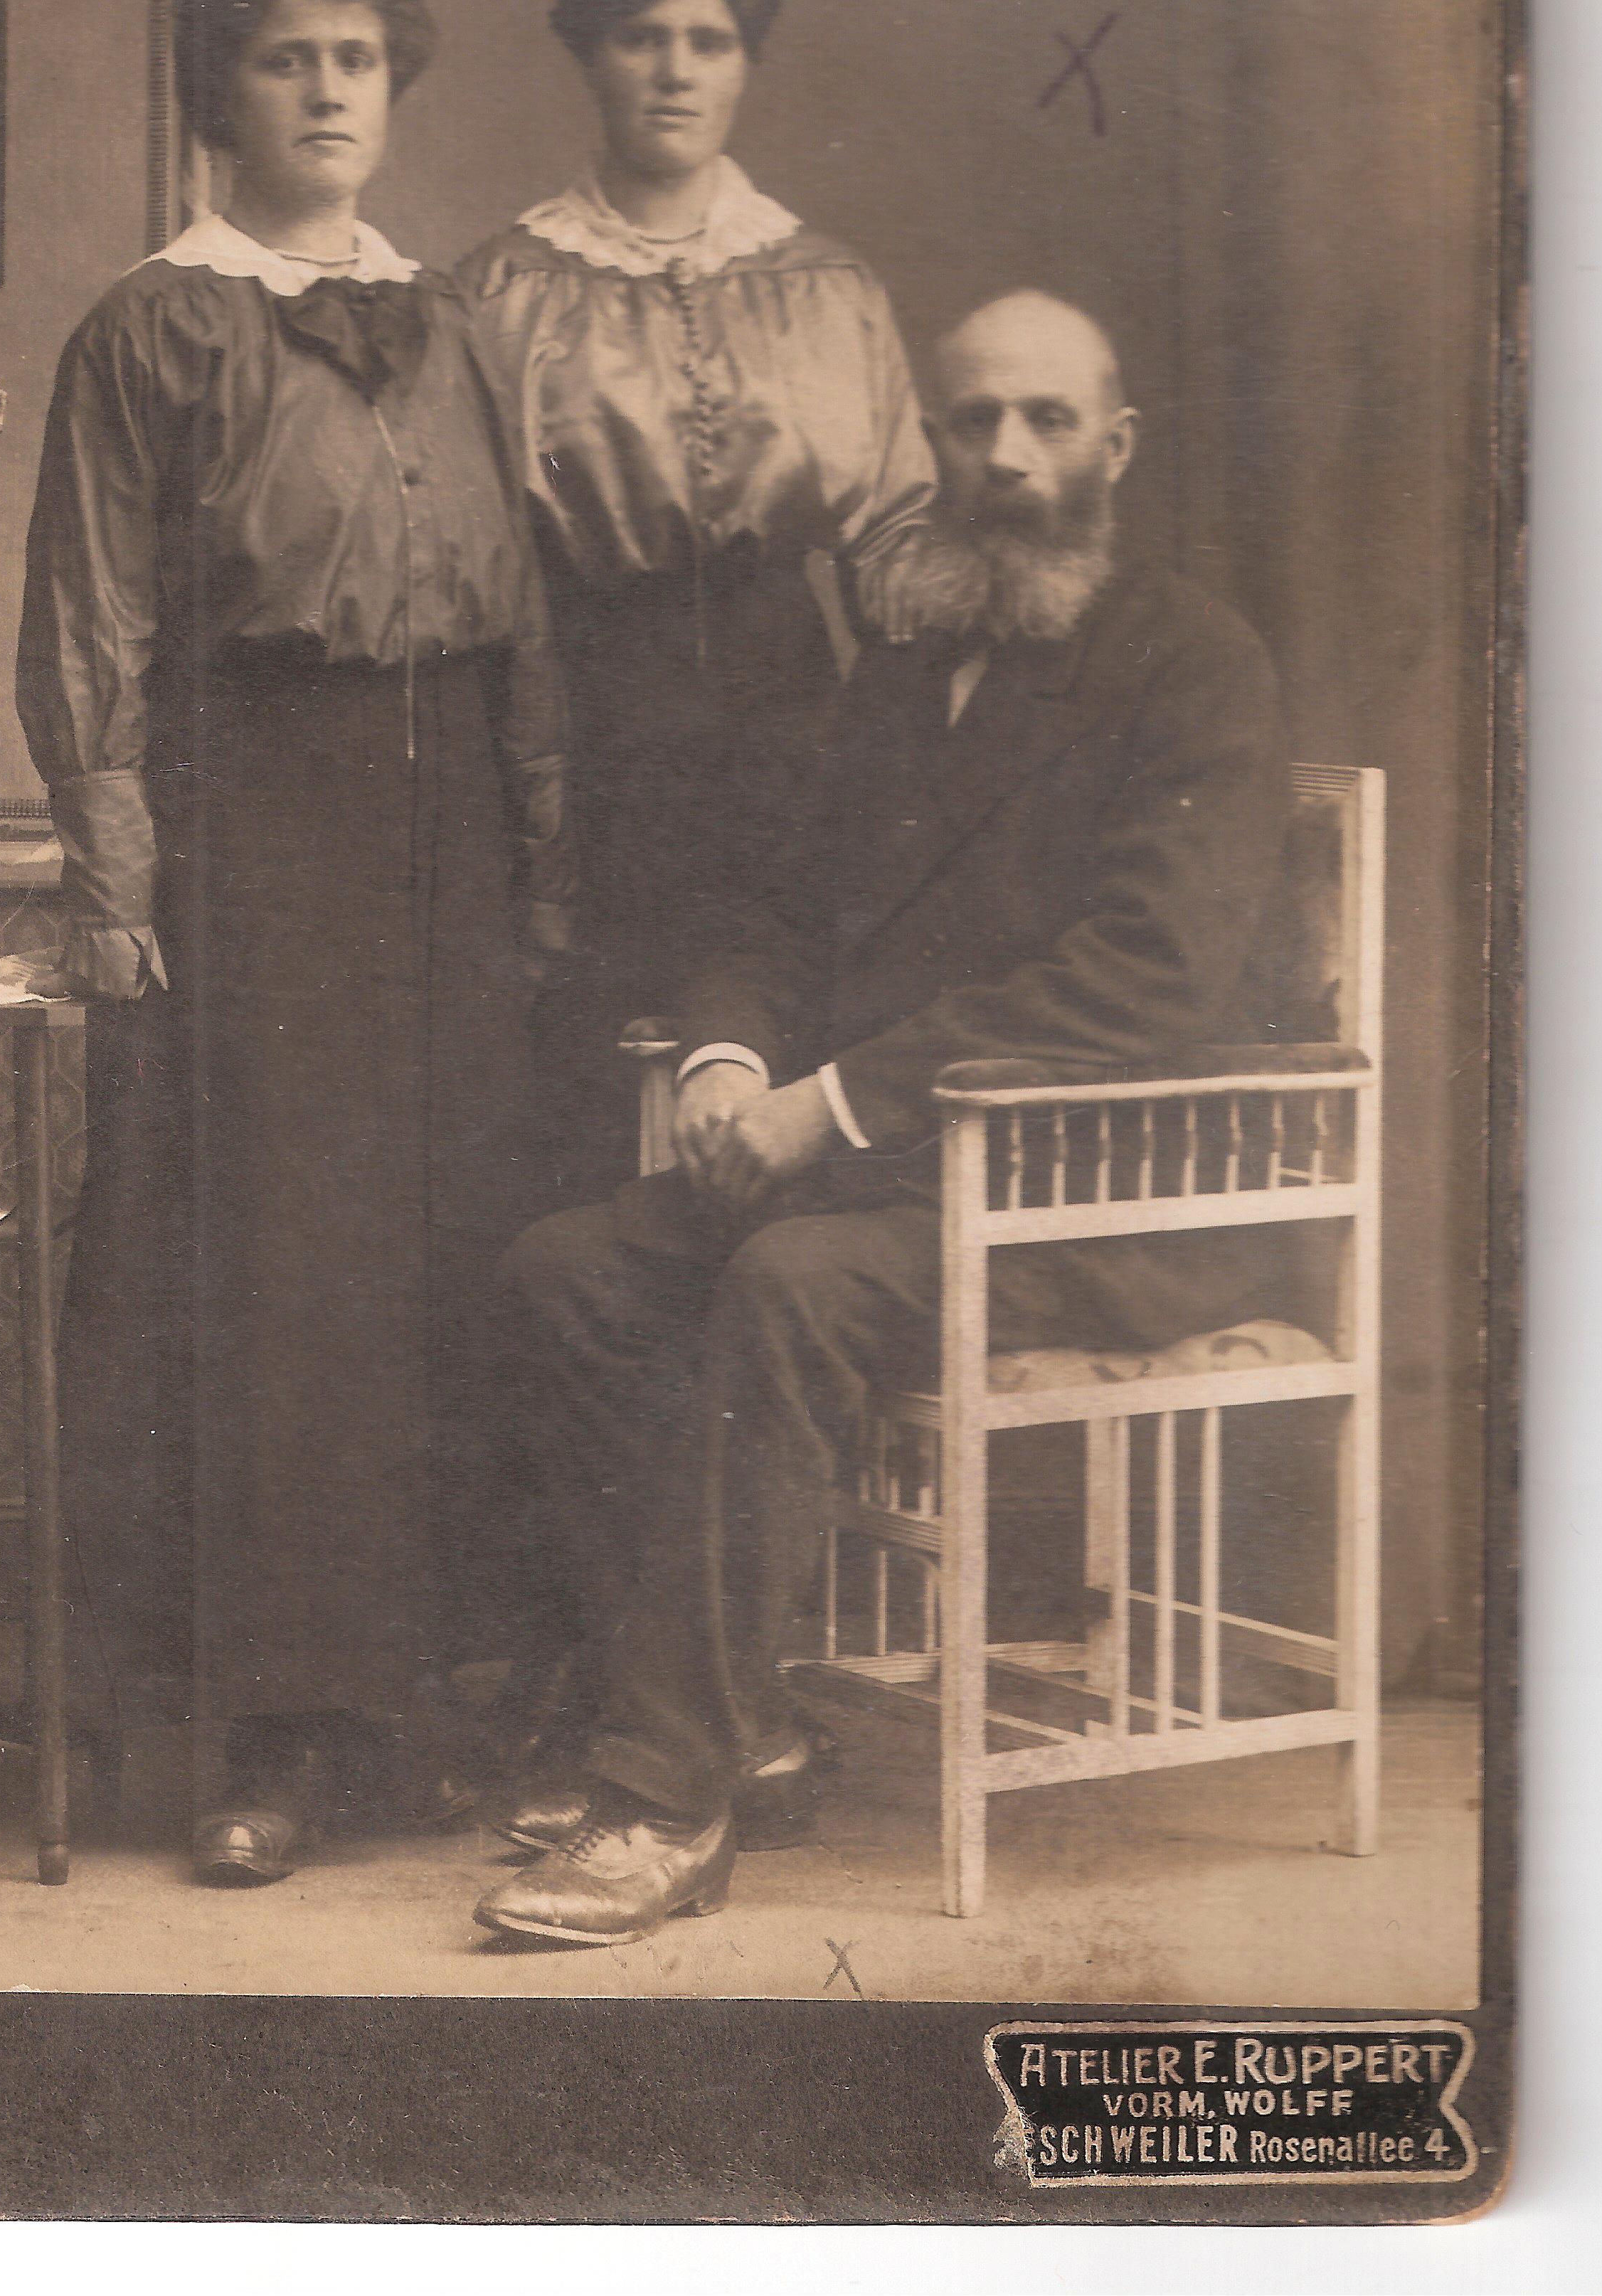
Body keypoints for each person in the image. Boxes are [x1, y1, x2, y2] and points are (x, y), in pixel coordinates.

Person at [474, 292, 1301, 1945]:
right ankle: (744, 1724)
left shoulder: (1192, 664)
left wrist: (834, 1103)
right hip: (904, 1181)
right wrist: (726, 1058)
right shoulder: (903, 672)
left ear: (1113, 445)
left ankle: (664, 1797)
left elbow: (1144, 976)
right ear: (930, 444)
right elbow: (773, 910)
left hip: (1102, 1194)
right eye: (971, 420)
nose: (1006, 455)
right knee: (565, 1274)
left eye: (1045, 420)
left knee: (790, 1283)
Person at [16, 0, 572, 1888]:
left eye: (357, 59)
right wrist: (117, 868)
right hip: (254, 820)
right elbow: (91, 613)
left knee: (434, 1251)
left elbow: (522, 618)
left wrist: (538, 859)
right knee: (275, 1277)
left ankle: (402, 1707)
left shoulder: (456, 320)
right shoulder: (152, 326)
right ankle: (260, 1730)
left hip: (447, 834)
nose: (329, 90)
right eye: (285, 59)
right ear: (217, 93)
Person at [460, 0, 937, 1195]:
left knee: (777, 1048)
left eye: (709, 41)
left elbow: (896, 537)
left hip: (794, 722)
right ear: (587, 53)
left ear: (745, 62)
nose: (675, 71)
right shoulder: (501, 292)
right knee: (584, 1101)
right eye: (640, 36)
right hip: (586, 723)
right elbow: (478, 560)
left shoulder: (829, 287)